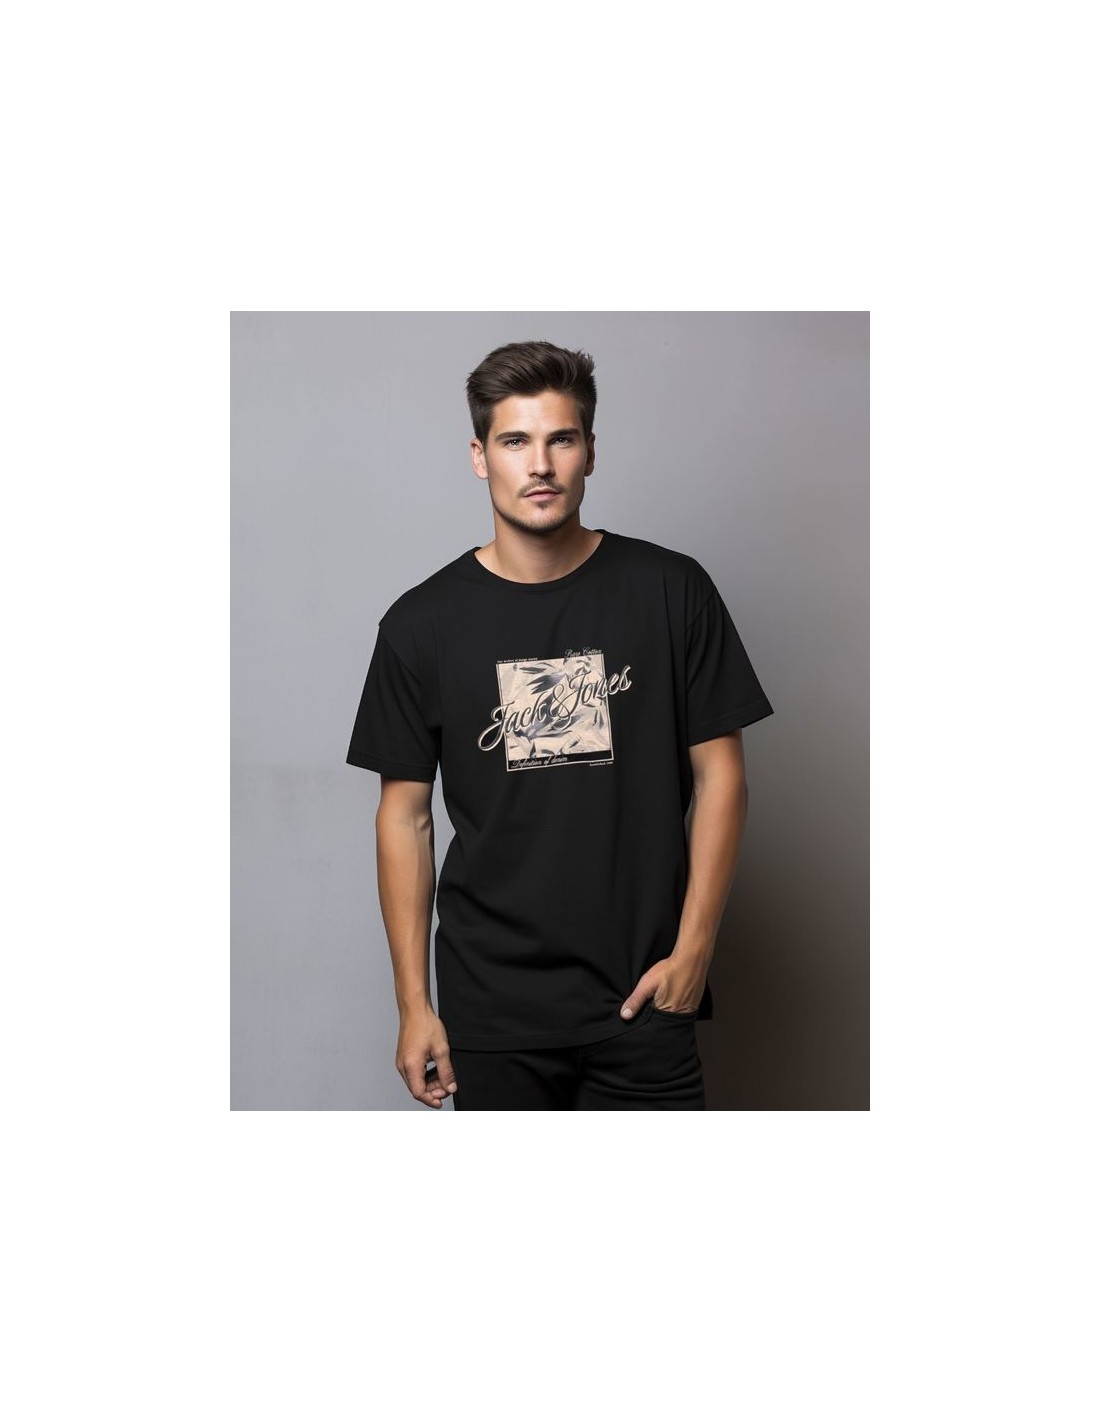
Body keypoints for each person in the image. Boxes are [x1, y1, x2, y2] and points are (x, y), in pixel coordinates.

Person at [346, 340, 773, 1110]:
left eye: (561, 439)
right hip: (492, 1011)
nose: (539, 464)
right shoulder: (419, 626)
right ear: (480, 457)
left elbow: (722, 778)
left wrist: (694, 952)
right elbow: (404, 817)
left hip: (644, 1002)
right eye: (515, 441)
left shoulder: (672, 591)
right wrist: (414, 1005)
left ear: (590, 453)